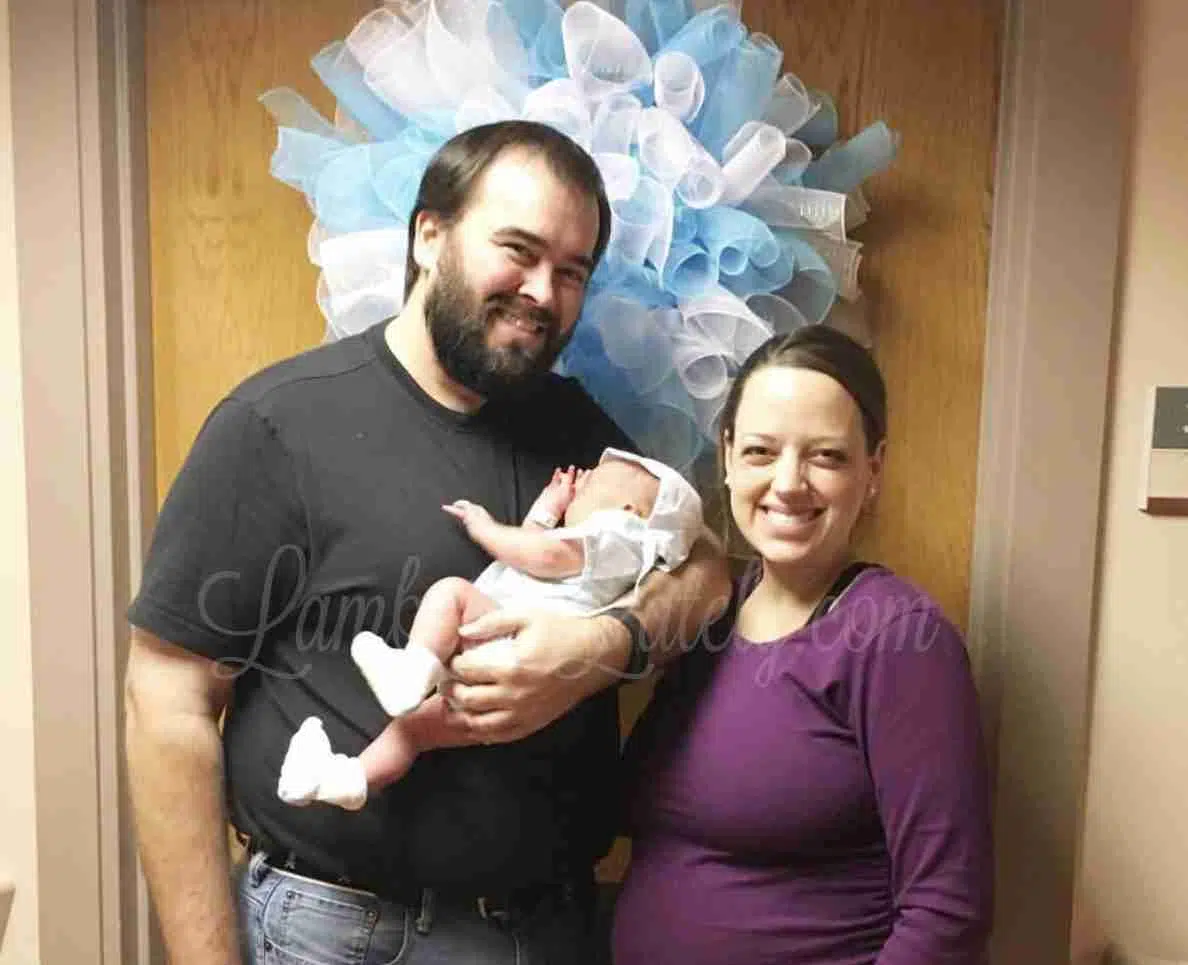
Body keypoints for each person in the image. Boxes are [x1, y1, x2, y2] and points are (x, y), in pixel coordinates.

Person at [123, 120, 729, 965]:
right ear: (428, 235)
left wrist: (602, 645)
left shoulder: (579, 429)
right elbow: (167, 698)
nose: (542, 293)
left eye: (572, 272)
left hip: (555, 929)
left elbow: (704, 575)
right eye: (516, 250)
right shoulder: (278, 426)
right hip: (337, 934)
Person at [612, 326, 995, 964]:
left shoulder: (900, 639)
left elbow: (947, 911)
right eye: (762, 451)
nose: (788, 483)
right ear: (727, 458)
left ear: (873, 472)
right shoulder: (710, 611)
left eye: (826, 457)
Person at [276, 449, 704, 810]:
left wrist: (484, 528)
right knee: (415, 732)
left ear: (630, 511)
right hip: (509, 682)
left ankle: (410, 671)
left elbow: (542, 554)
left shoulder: (622, 536)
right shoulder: (600, 552)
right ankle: (347, 780)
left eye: (593, 482)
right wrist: (548, 509)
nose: (582, 480)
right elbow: (537, 547)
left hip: (509, 639)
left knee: (451, 595)